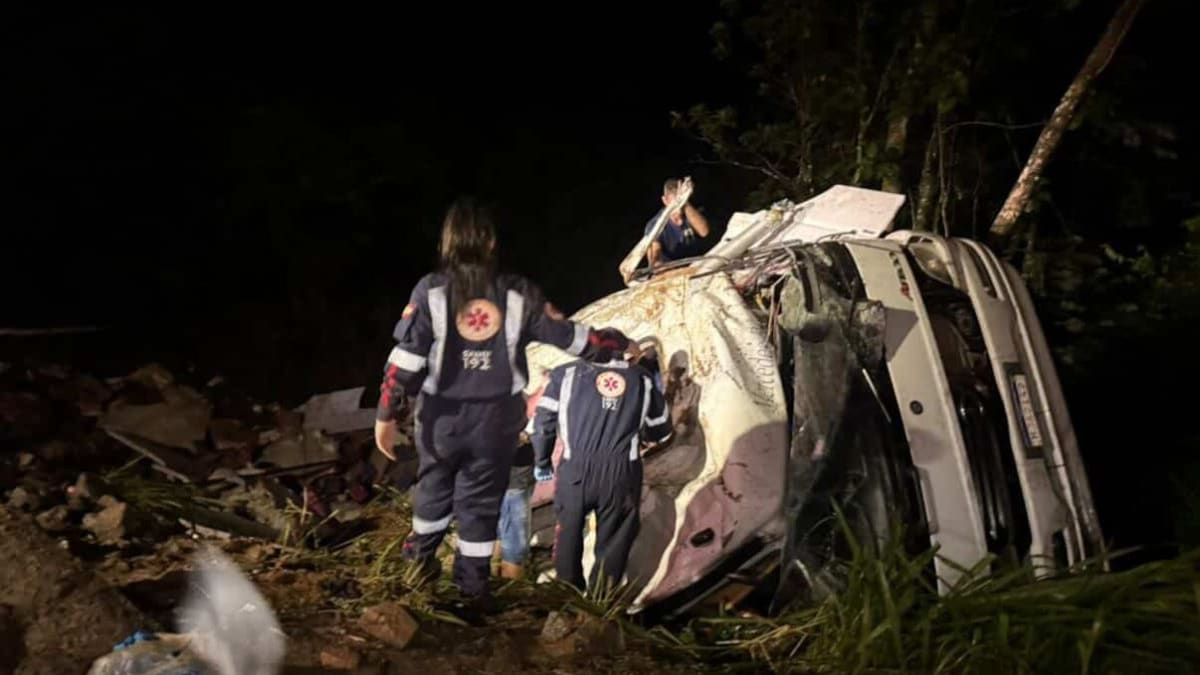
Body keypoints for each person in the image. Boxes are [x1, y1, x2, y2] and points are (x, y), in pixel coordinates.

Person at [373, 196, 637, 603]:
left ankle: (417, 566)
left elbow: (405, 359)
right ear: (491, 243)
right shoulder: (519, 293)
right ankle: (471, 592)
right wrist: (617, 345)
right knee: (480, 507)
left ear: (447, 242)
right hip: (495, 425)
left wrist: (386, 415)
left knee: (433, 493)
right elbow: (571, 338)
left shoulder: (430, 291)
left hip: (441, 420)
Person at [530, 353, 672, 593]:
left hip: (575, 469)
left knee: (568, 532)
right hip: (621, 471)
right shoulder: (642, 378)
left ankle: (568, 593)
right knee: (615, 538)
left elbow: (543, 424)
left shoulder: (565, 374)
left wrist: (542, 462)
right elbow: (661, 428)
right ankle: (599, 598)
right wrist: (638, 433)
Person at [645, 177, 711, 268]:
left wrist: (685, 202)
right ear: (665, 200)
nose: (678, 207)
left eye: (680, 202)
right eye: (675, 202)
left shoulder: (691, 214)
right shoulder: (654, 225)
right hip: (670, 269)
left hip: (696, 265)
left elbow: (704, 232)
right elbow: (655, 259)